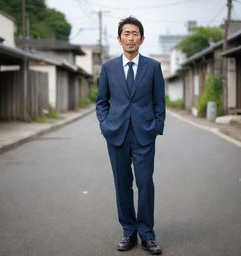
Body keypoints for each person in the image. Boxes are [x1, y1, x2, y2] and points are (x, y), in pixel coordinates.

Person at [96, 16, 165, 255]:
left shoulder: (153, 67)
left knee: (145, 184)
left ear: (142, 38)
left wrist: (157, 126)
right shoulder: (108, 68)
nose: (130, 38)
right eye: (126, 34)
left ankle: (147, 235)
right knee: (122, 185)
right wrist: (105, 125)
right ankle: (129, 232)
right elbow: (101, 101)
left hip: (144, 135)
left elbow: (159, 101)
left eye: (135, 33)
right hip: (116, 135)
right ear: (119, 38)